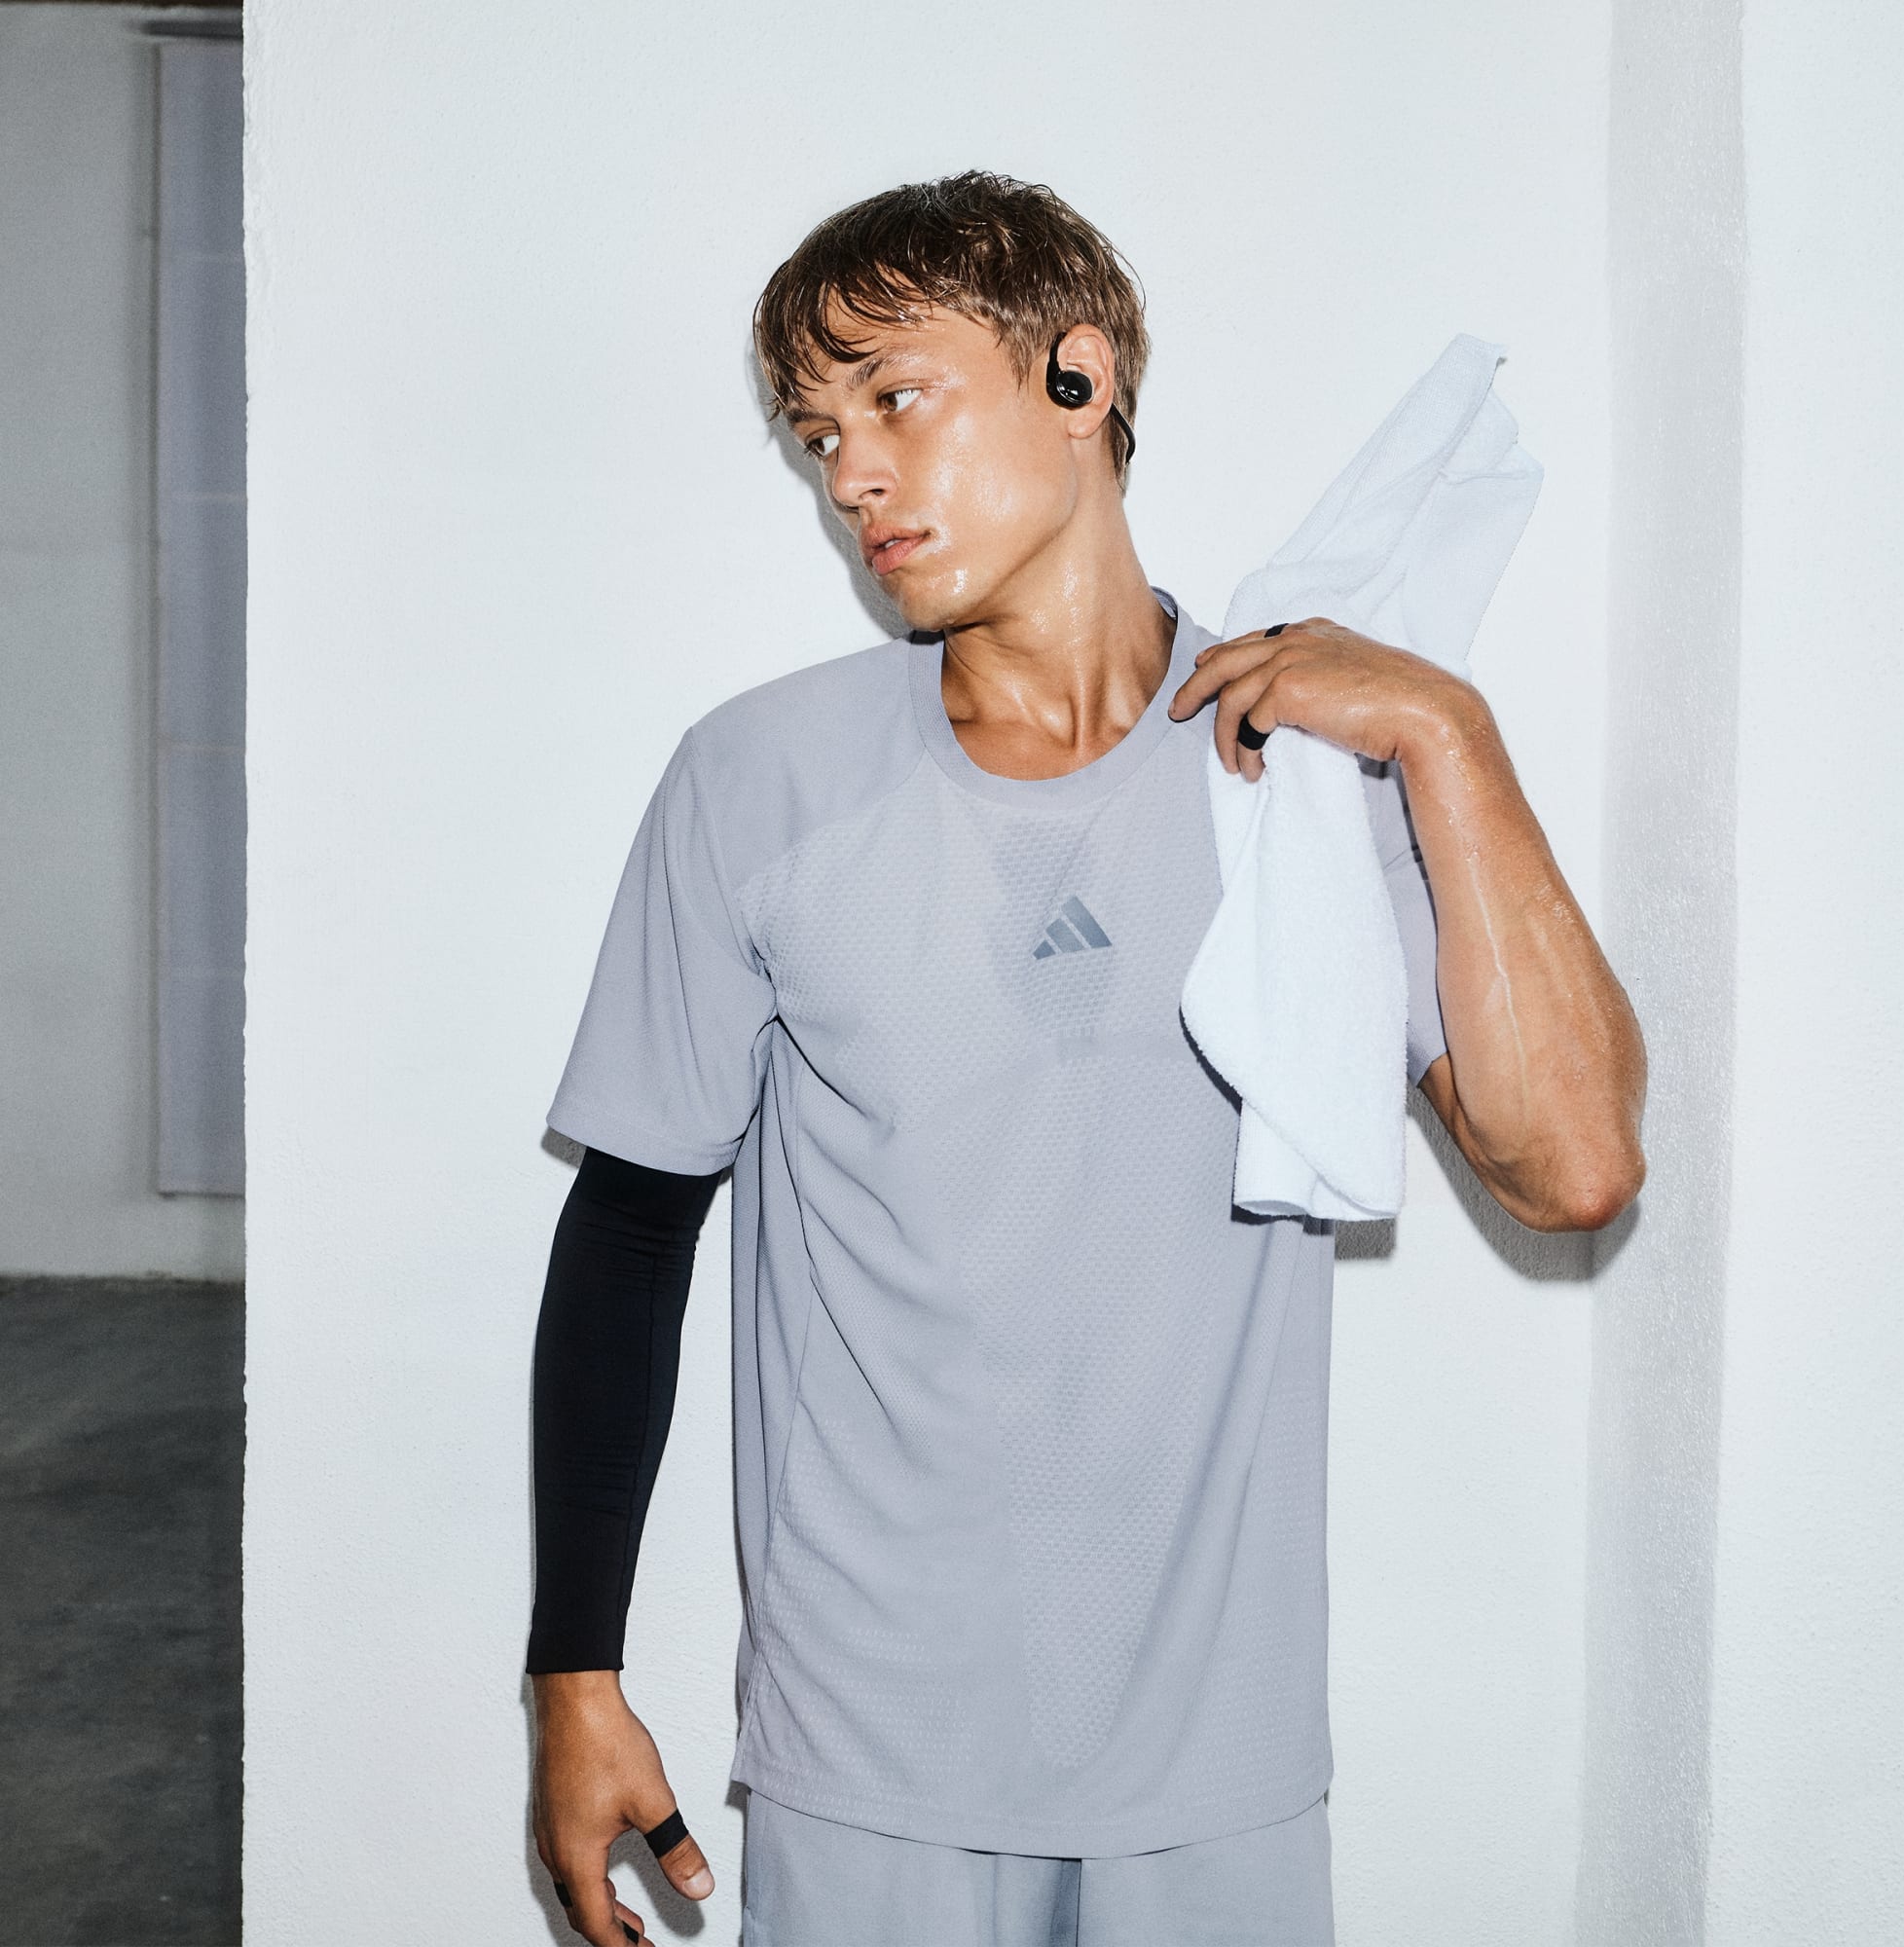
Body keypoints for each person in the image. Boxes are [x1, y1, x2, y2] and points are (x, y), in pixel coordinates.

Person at [525, 170, 1645, 1947]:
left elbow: (1574, 1170)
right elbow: (631, 1231)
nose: (852, 475)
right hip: (868, 1758)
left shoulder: (1307, 771)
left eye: (894, 398)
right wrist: (572, 1677)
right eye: (818, 436)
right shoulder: (758, 782)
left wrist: (1449, 732)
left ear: (1078, 376)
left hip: (1216, 1767)